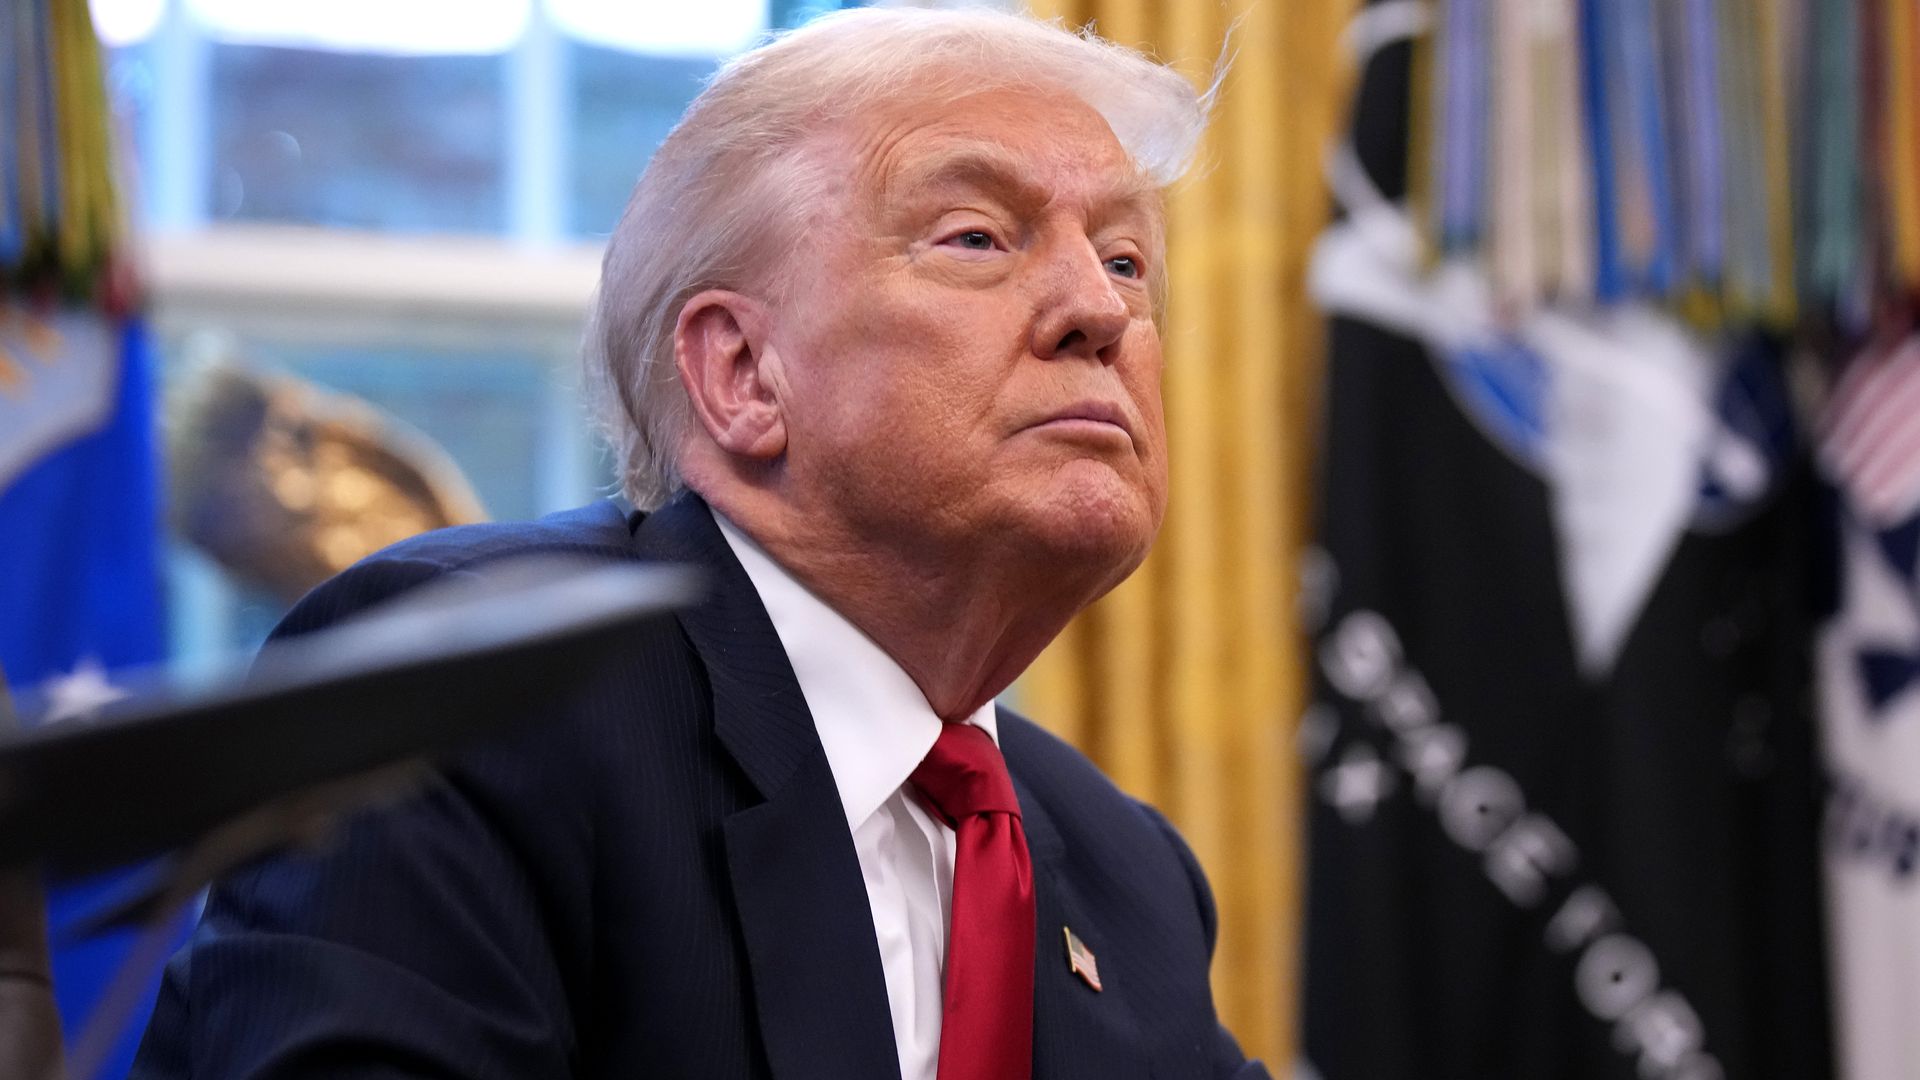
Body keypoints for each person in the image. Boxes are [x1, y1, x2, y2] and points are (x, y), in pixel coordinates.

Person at [134, 8, 1268, 1079]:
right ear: (741, 376)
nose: (1101, 309)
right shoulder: (467, 700)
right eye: (976, 237)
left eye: (1125, 260)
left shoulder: (1132, 878)